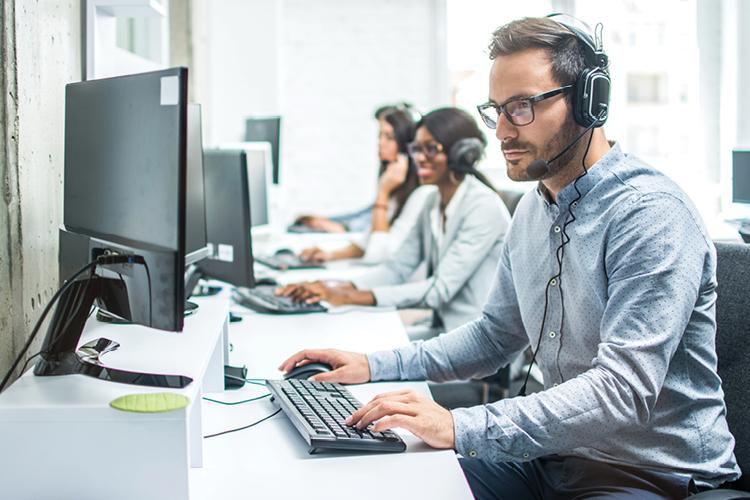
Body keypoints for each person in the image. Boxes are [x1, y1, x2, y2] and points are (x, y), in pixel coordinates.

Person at [278, 15, 740, 499]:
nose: (500, 131)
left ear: (589, 101)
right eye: (496, 110)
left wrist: (458, 426)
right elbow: (495, 338)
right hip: (554, 460)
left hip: (650, 476)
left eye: (521, 108)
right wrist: (371, 365)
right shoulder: (531, 212)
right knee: (379, 483)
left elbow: (621, 392)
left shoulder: (649, 216)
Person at [278, 107, 511, 334]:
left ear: (461, 153)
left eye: (430, 149)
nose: (419, 158)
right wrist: (332, 287)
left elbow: (438, 291)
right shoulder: (432, 200)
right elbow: (397, 268)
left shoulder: (482, 206)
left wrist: (348, 297)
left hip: (480, 343)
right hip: (444, 330)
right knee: (359, 347)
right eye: (416, 149)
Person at [299, 106, 435, 264]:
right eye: (380, 136)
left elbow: (377, 254)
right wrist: (329, 255)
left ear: (407, 145)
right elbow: (368, 242)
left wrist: (383, 192)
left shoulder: (420, 194)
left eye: (389, 137)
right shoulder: (397, 188)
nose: (380, 143)